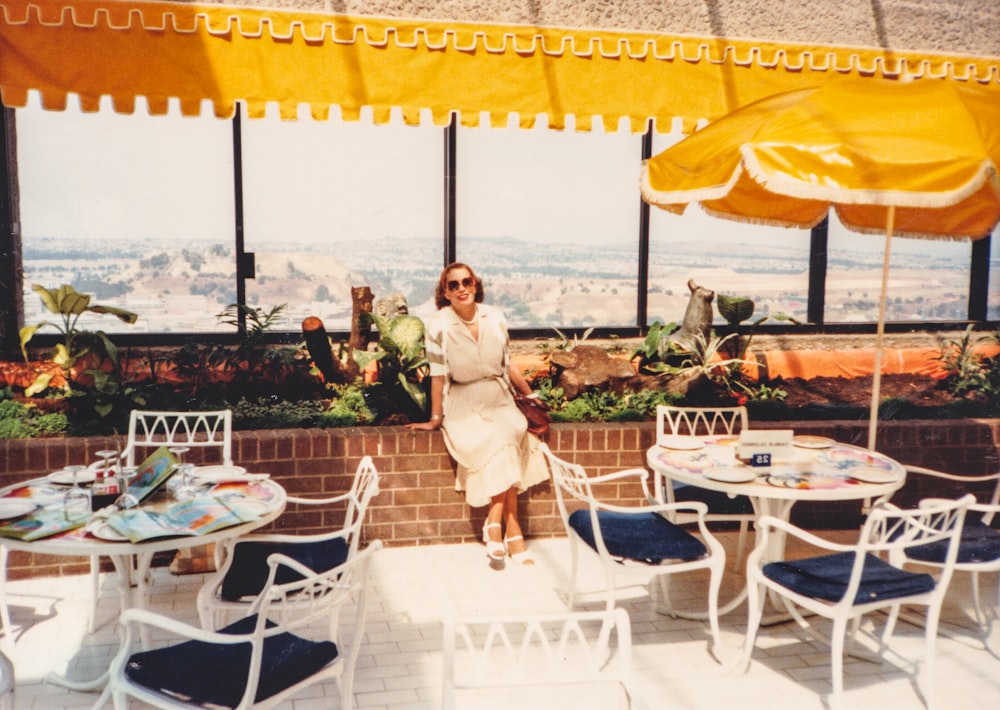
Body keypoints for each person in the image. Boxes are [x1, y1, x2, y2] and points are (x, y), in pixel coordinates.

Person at [407, 263, 549, 569]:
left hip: (497, 395)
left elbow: (507, 364)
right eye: (453, 285)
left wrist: (530, 395)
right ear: (445, 292)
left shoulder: (494, 317)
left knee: (513, 428)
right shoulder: (438, 324)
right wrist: (435, 417)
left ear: (475, 285)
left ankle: (494, 521)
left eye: (466, 282)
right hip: (462, 399)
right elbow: (437, 374)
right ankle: (512, 531)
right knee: (501, 438)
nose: (461, 289)